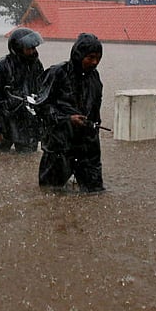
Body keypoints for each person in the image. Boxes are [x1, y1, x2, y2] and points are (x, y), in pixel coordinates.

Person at [36, 33, 105, 192]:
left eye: (98, 58)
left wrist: (94, 129)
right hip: (60, 145)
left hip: (87, 145)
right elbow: (41, 107)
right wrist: (67, 119)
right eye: (90, 57)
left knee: (95, 193)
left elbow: (96, 109)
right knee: (50, 193)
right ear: (79, 55)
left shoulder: (94, 77)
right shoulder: (57, 73)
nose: (95, 62)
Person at [0, 27, 45, 153]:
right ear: (18, 49)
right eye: (29, 48)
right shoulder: (2, 66)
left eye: (34, 48)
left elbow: (42, 92)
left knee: (27, 158)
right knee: (0, 157)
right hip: (5, 121)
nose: (33, 51)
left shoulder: (36, 64)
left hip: (28, 123)